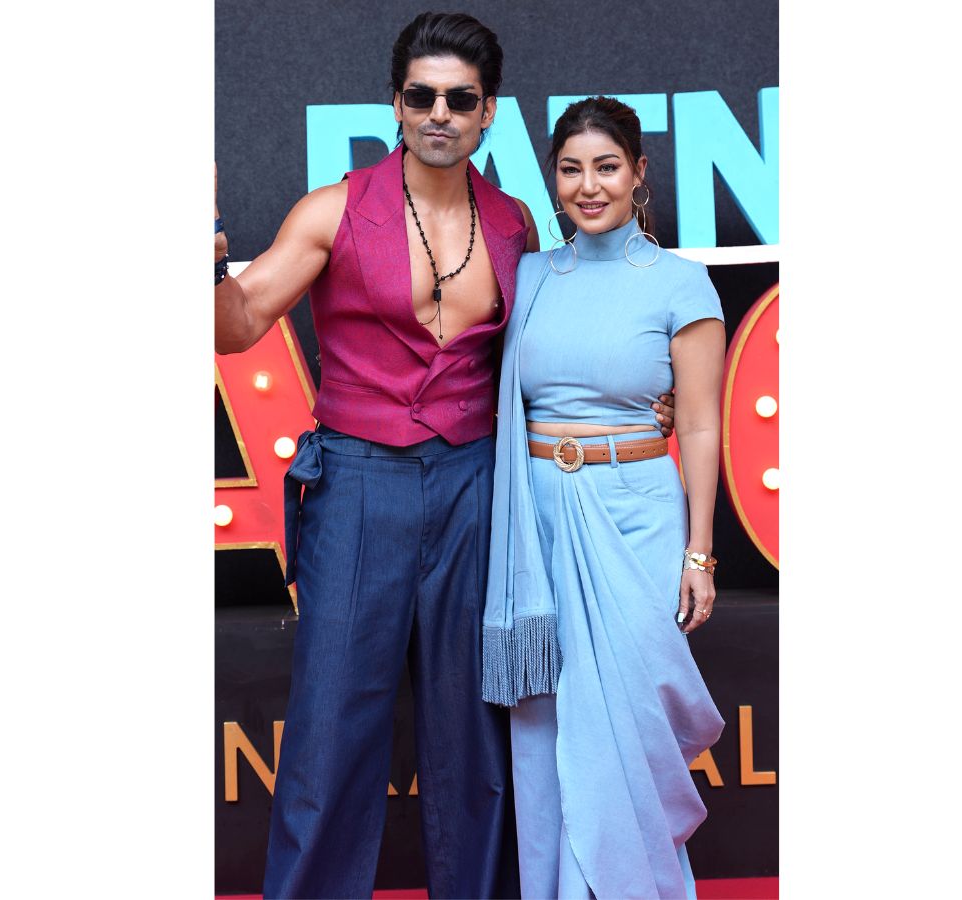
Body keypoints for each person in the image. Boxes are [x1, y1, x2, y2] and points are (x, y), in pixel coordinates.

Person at [214, 14, 676, 899]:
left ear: (488, 111)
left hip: (476, 486)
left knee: (475, 734)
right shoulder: (334, 209)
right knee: (329, 732)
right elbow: (236, 328)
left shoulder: (513, 224)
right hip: (358, 482)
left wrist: (646, 396)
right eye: (421, 96)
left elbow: (553, 352)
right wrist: (206, 259)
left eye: (459, 100)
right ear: (396, 103)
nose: (439, 114)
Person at [481, 96, 727, 899]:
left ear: (639, 173)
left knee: (626, 721)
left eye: (607, 167)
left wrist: (699, 553)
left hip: (639, 516)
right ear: (553, 179)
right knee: (546, 726)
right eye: (571, 169)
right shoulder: (527, 276)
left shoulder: (681, 285)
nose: (589, 186)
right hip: (537, 522)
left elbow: (699, 425)